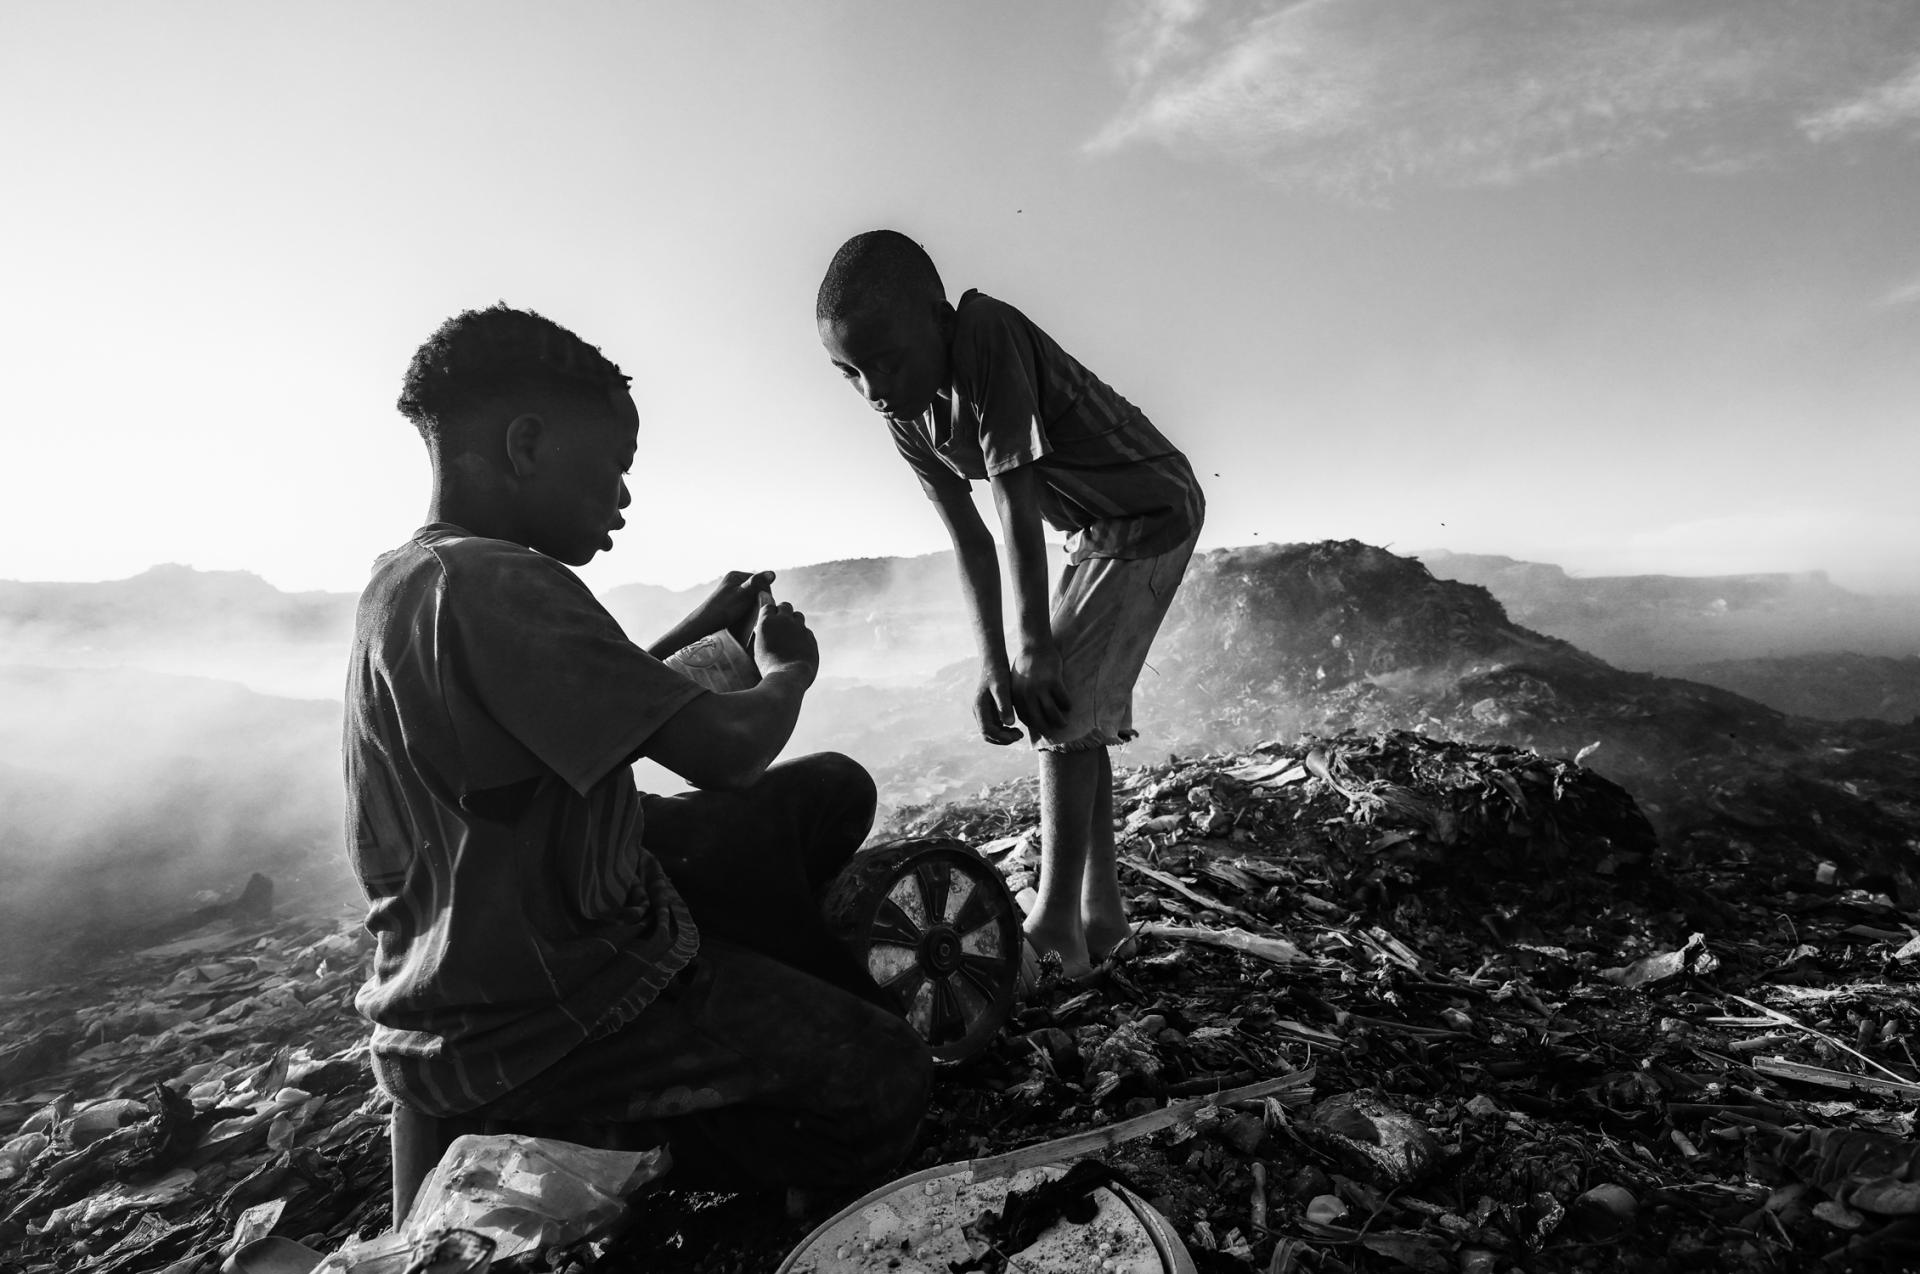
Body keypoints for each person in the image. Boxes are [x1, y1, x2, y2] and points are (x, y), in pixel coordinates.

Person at [343, 303, 930, 1192]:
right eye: (614, 469)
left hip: (476, 955)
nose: (622, 498)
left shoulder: (412, 581)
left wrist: (697, 630)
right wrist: (787, 673)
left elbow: (572, 711)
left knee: (825, 794)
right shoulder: (503, 582)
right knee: (886, 1076)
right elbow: (728, 753)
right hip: (557, 995)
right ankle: (634, 1134)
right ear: (527, 445)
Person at [816, 231, 1205, 982]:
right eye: (848, 372)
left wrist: (1031, 645)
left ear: (937, 319)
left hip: (1150, 507)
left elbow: (1013, 503)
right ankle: (1101, 917)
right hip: (1095, 532)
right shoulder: (908, 417)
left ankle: (1056, 927)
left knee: (1059, 705)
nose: (873, 388)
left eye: (886, 360)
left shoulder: (986, 331)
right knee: (1074, 710)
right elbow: (967, 537)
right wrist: (994, 662)